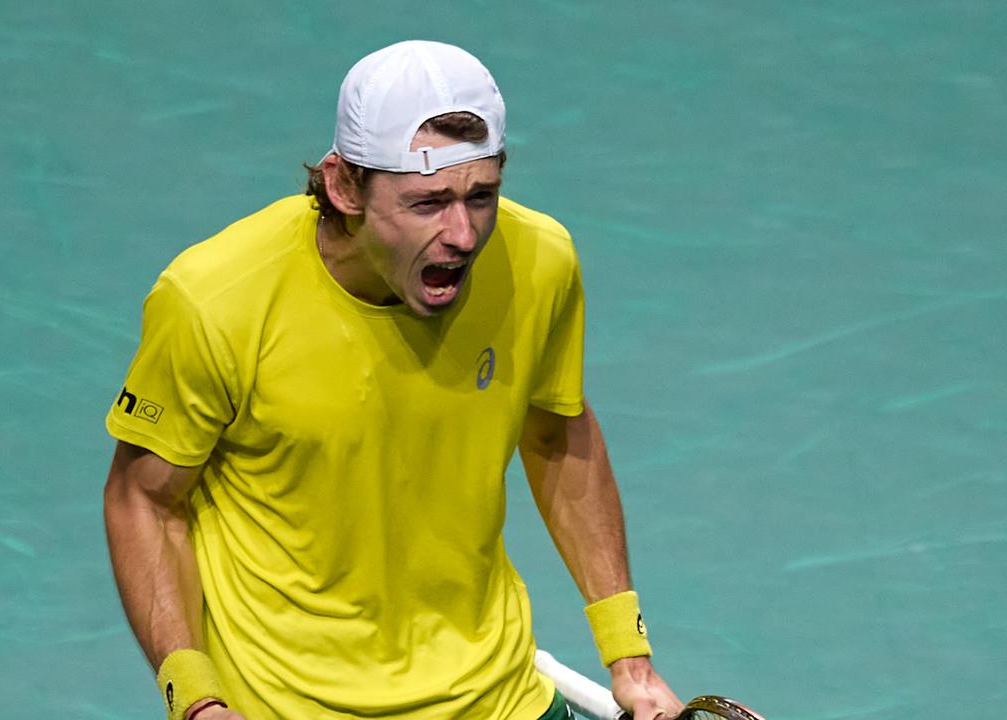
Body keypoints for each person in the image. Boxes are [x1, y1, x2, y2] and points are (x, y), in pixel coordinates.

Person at [102, 40, 682, 720]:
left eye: (482, 196)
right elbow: (143, 500)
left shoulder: (537, 263)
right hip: (288, 706)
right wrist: (195, 698)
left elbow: (557, 433)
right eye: (428, 202)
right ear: (344, 186)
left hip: (496, 698)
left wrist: (629, 659)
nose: (463, 235)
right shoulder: (214, 301)